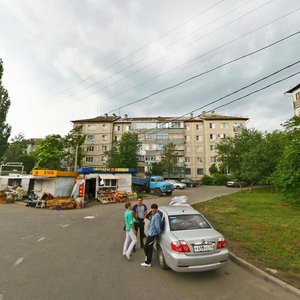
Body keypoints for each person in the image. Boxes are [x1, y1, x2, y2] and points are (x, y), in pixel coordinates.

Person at [141, 203, 161, 267]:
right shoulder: (153, 215)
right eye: (152, 208)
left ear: (156, 209)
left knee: (148, 247)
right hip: (150, 233)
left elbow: (157, 226)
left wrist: (158, 233)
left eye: (154, 208)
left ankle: (148, 262)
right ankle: (147, 258)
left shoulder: (157, 216)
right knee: (147, 247)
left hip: (153, 235)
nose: (153, 210)